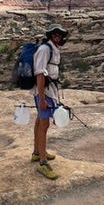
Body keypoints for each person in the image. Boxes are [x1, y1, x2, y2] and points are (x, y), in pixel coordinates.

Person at [31, 23, 68, 180]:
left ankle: (37, 152)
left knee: (40, 121)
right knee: (44, 124)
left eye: (60, 35)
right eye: (55, 34)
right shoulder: (46, 49)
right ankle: (43, 163)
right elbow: (40, 74)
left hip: (47, 91)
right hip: (44, 92)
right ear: (50, 36)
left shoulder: (53, 49)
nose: (58, 37)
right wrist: (42, 99)